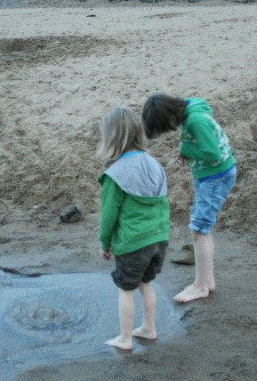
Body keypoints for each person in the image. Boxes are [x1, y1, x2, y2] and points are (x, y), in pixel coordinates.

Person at [142, 94, 236, 304]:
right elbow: (203, 142)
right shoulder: (190, 109)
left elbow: (212, 153)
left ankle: (200, 286)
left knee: (199, 229)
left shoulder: (195, 119)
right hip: (207, 175)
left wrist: (186, 149)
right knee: (202, 229)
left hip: (216, 176)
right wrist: (188, 152)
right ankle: (207, 281)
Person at [97, 107, 170, 350]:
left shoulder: (115, 175)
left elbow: (108, 216)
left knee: (126, 287)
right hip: (159, 238)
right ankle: (149, 328)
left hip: (133, 242)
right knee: (146, 283)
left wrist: (105, 243)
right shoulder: (154, 164)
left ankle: (125, 338)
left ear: (111, 139)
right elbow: (162, 202)